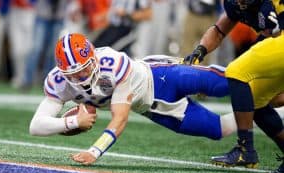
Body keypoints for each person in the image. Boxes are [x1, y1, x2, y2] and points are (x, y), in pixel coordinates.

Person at [29, 33, 243, 165]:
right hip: (152, 108)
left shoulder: (113, 64)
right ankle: (272, 114)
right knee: (219, 130)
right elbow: (36, 126)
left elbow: (120, 118)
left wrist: (94, 151)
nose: (80, 78)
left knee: (233, 83)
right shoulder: (58, 81)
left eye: (84, 70)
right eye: (73, 75)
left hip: (163, 77)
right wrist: (74, 122)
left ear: (93, 58)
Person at [184, 0, 284, 173]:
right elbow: (219, 29)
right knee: (254, 98)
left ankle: (246, 150)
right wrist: (200, 50)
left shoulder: (271, 4)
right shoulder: (236, 4)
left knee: (237, 71)